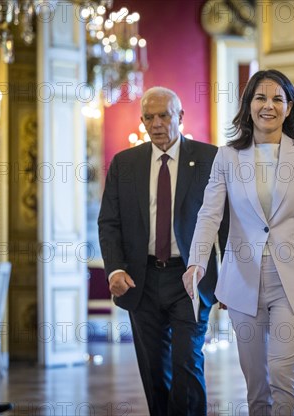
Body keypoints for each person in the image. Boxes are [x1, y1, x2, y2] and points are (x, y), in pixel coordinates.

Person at [182, 69, 294, 416]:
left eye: (277, 98)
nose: (269, 105)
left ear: (289, 105)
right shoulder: (227, 157)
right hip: (243, 281)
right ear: (248, 105)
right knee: (256, 384)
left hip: (293, 281)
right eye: (260, 97)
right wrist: (197, 262)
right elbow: (209, 214)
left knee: (283, 372)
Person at [98, 86, 224, 415]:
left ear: (180, 117)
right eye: (149, 117)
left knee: (188, 365)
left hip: (190, 278)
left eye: (164, 115)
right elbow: (109, 222)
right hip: (142, 279)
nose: (156, 123)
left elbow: (227, 224)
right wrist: (115, 268)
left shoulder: (210, 158)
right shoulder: (125, 163)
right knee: (155, 372)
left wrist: (230, 278)